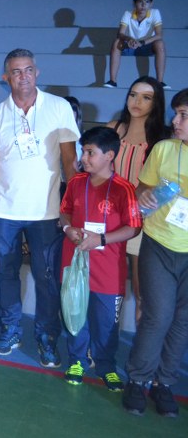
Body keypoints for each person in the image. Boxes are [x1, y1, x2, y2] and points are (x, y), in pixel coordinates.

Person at [0, 48, 79, 367]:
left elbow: (69, 161)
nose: (24, 76)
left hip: (47, 214)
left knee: (46, 278)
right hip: (4, 213)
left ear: (37, 72)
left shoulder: (59, 107)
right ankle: (10, 330)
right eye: (16, 71)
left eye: (28, 69)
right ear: (6, 77)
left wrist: (74, 206)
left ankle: (47, 337)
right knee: (6, 274)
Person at [122, 89, 188, 418]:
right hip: (159, 243)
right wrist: (145, 196)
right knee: (157, 316)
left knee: (182, 320)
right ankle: (137, 380)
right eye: (176, 113)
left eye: (184, 116)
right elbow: (141, 189)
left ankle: (164, 383)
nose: (175, 121)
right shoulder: (164, 149)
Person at [59, 126, 141, 390]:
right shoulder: (75, 183)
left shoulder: (124, 189)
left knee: (106, 323)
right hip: (75, 264)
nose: (83, 158)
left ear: (109, 155)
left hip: (108, 271)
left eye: (90, 152)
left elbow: (134, 227)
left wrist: (102, 239)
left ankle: (106, 366)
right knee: (75, 315)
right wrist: (68, 228)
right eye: (83, 151)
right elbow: (64, 212)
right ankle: (77, 361)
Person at [106, 76, 168, 324]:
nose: (137, 101)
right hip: (108, 215)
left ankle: (142, 343)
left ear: (156, 102)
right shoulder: (113, 128)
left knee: (142, 292)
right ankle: (103, 338)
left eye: (146, 97)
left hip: (143, 221)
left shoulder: (163, 138)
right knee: (105, 287)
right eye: (133, 94)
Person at [105, 0, 168, 90]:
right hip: (131, 45)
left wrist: (142, 42)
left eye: (147, 2)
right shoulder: (127, 14)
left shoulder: (155, 13)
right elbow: (120, 33)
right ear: (134, 3)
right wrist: (129, 39)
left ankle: (160, 82)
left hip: (147, 46)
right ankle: (112, 81)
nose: (143, 5)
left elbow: (159, 34)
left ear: (151, 4)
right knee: (117, 42)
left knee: (160, 43)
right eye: (140, 2)